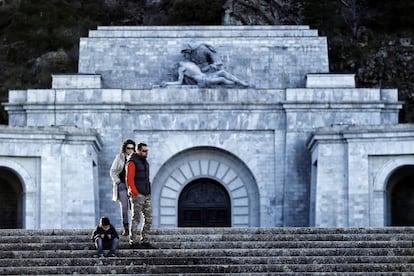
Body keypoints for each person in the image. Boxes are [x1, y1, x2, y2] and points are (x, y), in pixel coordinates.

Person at [125, 142, 155, 249]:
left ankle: (144, 240)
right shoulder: (132, 162)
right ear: (137, 150)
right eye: (144, 151)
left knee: (149, 218)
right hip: (137, 195)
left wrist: (148, 193)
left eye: (147, 151)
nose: (146, 153)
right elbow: (129, 179)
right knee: (136, 218)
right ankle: (133, 241)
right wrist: (135, 193)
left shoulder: (144, 162)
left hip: (146, 194)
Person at [109, 139, 136, 236]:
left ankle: (134, 228)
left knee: (135, 207)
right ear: (124, 149)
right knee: (124, 207)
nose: (130, 150)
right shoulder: (119, 158)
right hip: (122, 186)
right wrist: (118, 182)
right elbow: (112, 171)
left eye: (132, 148)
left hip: (133, 186)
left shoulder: (137, 159)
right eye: (128, 148)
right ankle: (126, 228)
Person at [161, 60, 248, 88]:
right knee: (222, 79)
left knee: (222, 72)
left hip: (206, 76)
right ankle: (237, 85)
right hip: (203, 80)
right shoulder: (181, 69)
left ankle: (239, 82)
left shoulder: (191, 63)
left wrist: (210, 66)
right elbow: (179, 82)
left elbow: (201, 70)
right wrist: (167, 83)